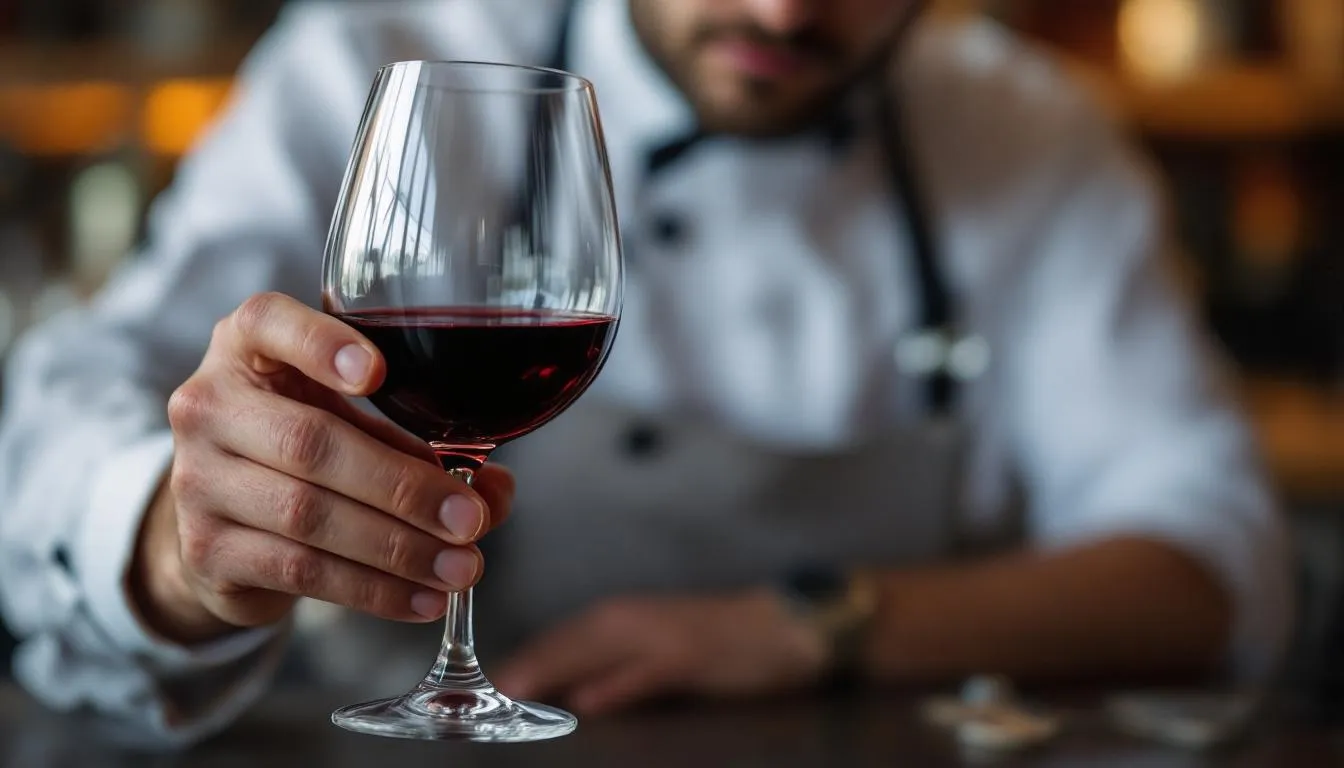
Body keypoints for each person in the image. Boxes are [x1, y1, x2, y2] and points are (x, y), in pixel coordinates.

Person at [0, 0, 1290, 746]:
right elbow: (69, 408)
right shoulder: (375, 51)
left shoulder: (1032, 135)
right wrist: (178, 545)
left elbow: (1215, 558)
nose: (783, 13)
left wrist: (812, 625)